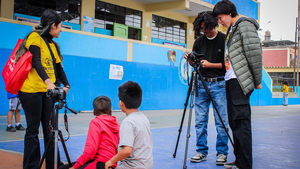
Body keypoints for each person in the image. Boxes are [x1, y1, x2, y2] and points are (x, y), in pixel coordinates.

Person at [16, 9, 70, 169]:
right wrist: (48, 82)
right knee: (33, 129)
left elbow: (59, 68)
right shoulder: (34, 38)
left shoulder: (53, 45)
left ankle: (54, 164)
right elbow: (36, 62)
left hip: (47, 93)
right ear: (53, 25)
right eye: (60, 26)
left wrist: (66, 85)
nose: (61, 30)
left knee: (50, 129)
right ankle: (31, 166)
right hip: (31, 91)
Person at [213, 0, 263, 169]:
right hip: (230, 79)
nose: (219, 22)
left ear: (229, 13)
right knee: (234, 122)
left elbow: (254, 54)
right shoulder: (232, 28)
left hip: (240, 82)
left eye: (220, 18)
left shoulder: (245, 26)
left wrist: (257, 81)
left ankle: (245, 164)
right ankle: (239, 160)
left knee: (241, 123)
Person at [184, 11, 229, 165]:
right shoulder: (198, 42)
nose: (204, 31)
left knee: (221, 121)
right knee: (200, 121)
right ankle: (201, 151)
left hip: (219, 84)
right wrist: (190, 60)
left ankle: (222, 153)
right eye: (202, 29)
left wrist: (210, 64)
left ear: (213, 24)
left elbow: (228, 65)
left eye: (206, 28)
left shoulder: (224, 40)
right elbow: (195, 63)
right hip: (201, 84)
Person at [59, 96, 120, 169]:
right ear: (111, 110)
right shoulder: (116, 124)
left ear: (93, 111)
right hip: (110, 164)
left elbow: (90, 150)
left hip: (99, 164)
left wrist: (75, 166)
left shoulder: (96, 122)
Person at [105, 81, 153, 169]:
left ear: (121, 103)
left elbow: (126, 151)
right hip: (146, 165)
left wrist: (111, 161)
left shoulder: (128, 122)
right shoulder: (144, 118)